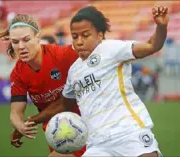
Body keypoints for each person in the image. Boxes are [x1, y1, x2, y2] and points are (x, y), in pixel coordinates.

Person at [60, 6, 169, 156]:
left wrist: (161, 26)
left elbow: (152, 45)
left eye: (85, 35)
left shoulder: (111, 49)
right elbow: (65, 104)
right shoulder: (74, 71)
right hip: (96, 143)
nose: (79, 42)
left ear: (99, 35)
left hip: (129, 132)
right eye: (75, 36)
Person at [0, 14, 85, 157]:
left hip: (83, 125)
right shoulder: (18, 73)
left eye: (26, 40)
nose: (21, 47)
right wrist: (20, 126)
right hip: (56, 133)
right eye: (15, 42)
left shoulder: (62, 55)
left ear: (38, 37)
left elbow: (96, 53)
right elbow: (15, 113)